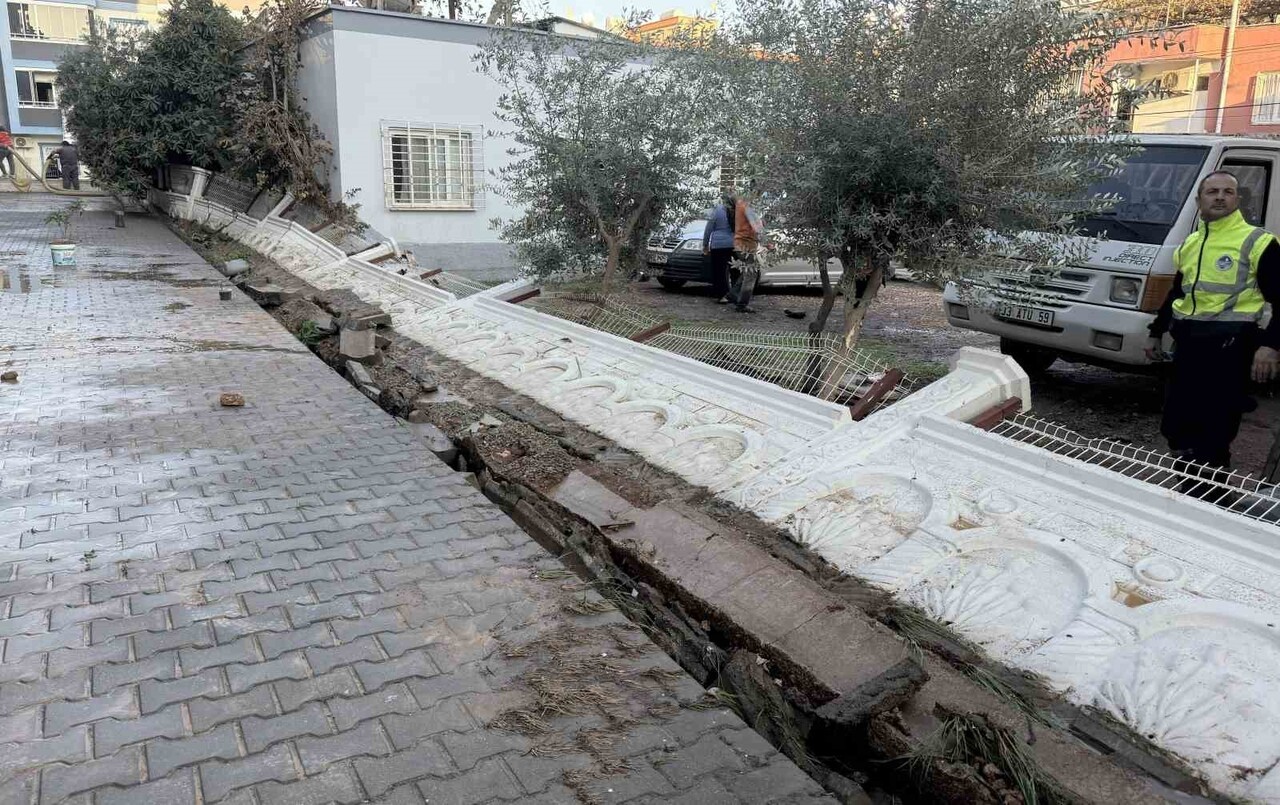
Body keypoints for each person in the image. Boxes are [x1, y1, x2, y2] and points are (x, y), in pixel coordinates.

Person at [1145, 170, 1280, 467]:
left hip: (1230, 349)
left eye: (1228, 192)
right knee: (1177, 427)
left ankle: (1210, 499)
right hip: (1189, 346)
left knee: (1214, 433)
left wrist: (1270, 346)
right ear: (1199, 200)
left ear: (1238, 199)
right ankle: (1186, 493)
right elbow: (1178, 292)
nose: (1220, 197)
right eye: (1213, 191)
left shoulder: (1258, 241)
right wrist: (1156, 331)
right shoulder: (1191, 243)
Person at [725, 195, 765, 313]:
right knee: (752, 273)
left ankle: (733, 294)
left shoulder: (740, 204)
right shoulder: (747, 206)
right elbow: (757, 228)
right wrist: (766, 239)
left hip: (740, 243)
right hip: (746, 245)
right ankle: (742, 304)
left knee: (748, 271)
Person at [703, 194, 737, 303]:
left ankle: (722, 296)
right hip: (734, 245)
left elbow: (709, 228)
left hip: (718, 245)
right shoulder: (738, 210)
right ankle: (735, 295)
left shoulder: (717, 211)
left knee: (719, 272)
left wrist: (705, 245)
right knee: (735, 271)